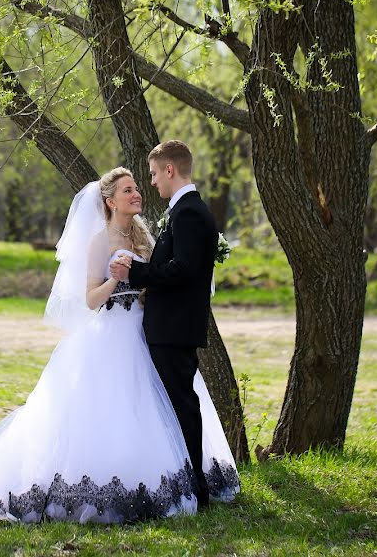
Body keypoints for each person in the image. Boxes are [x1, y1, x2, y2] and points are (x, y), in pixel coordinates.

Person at [0, 167, 239, 525]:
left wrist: (144, 286)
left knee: (156, 405)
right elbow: (90, 299)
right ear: (110, 201)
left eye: (138, 187)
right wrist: (117, 283)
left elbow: (156, 277)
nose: (137, 193)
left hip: (145, 332)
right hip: (110, 334)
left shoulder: (142, 236)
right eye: (128, 190)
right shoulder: (98, 241)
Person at [109, 141, 218, 509]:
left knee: (181, 406)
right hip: (172, 327)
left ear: (169, 170)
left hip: (172, 329)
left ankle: (195, 487)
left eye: (154, 174)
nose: (152, 182)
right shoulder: (187, 210)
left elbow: (183, 270)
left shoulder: (187, 213)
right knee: (176, 405)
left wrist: (136, 272)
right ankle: (186, 482)